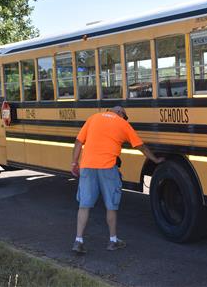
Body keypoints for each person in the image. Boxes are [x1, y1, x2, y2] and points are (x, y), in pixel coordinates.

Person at [70, 106, 164, 253]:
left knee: (84, 205)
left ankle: (78, 241)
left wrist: (74, 163)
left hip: (87, 167)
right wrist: (155, 160)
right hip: (108, 168)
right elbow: (141, 146)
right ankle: (113, 241)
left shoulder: (93, 118)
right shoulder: (122, 124)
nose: (125, 119)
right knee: (111, 206)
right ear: (120, 113)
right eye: (125, 116)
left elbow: (78, 142)